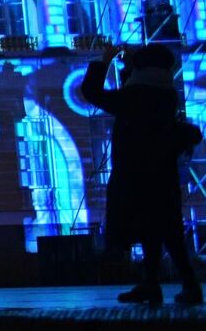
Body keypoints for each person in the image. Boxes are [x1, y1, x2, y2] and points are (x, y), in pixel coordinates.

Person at [83, 43, 203, 307]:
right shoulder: (164, 94)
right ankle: (156, 283)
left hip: (135, 176)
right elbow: (132, 88)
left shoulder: (137, 96)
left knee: (158, 231)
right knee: (160, 230)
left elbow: (91, 92)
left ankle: (182, 285)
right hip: (161, 175)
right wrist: (130, 63)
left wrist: (105, 60)